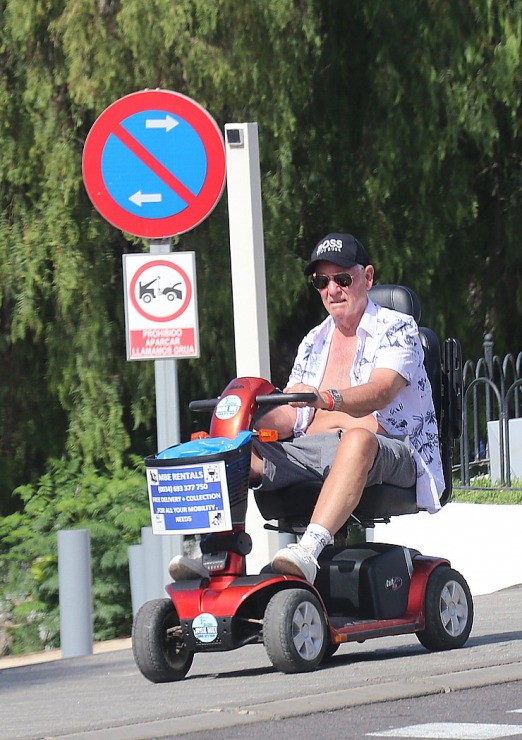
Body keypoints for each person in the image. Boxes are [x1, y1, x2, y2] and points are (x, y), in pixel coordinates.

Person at [169, 232, 444, 583]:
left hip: (391, 450)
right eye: (322, 281)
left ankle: (308, 551)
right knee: (233, 450)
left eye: (343, 279)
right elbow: (293, 412)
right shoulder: (314, 341)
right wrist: (243, 423)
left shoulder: (397, 327)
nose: (333, 290)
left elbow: (380, 392)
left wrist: (327, 398)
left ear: (368, 277)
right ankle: (214, 554)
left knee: (357, 438)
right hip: (312, 450)